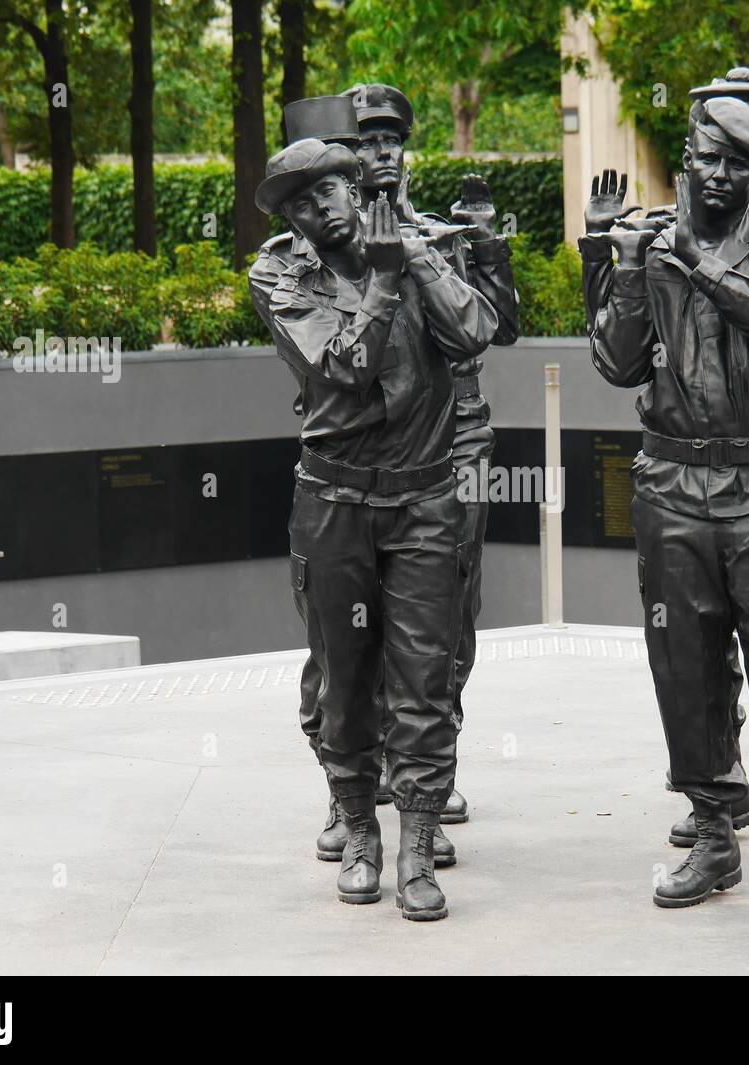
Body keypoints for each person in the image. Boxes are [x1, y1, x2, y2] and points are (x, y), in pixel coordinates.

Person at [583, 96, 749, 919]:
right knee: (682, 664)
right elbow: (618, 367)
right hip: (672, 484)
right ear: (686, 155)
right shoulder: (654, 240)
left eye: (738, 164)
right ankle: (712, 826)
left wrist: (699, 259)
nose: (718, 175)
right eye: (706, 157)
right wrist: (623, 268)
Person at [250, 135, 497, 920]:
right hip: (335, 503)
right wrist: (386, 281)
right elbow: (346, 368)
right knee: (343, 679)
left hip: (425, 501)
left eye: (327, 190)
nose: (317, 209)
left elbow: (476, 331)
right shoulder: (280, 274)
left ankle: (418, 848)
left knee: (425, 676)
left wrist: (416, 261)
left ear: (355, 188)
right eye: (299, 203)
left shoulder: (417, 250)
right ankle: (360, 830)